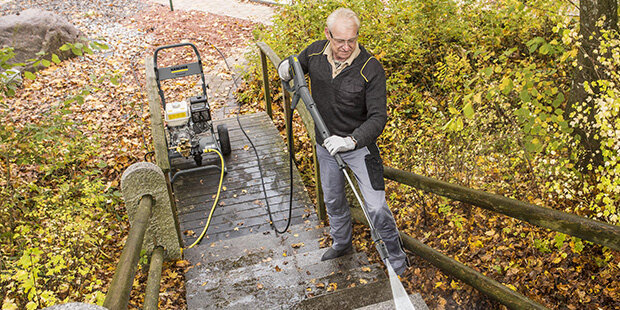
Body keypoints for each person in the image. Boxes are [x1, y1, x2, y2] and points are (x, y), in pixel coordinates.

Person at [278, 8, 409, 275]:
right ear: (328, 35)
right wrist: (285, 67)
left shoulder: (370, 68)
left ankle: (396, 258)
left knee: (376, 207)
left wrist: (351, 141)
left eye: (352, 40)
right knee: (334, 199)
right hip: (325, 145)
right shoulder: (315, 53)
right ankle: (341, 243)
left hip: (359, 148)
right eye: (340, 41)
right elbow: (296, 65)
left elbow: (378, 118)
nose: (346, 47)